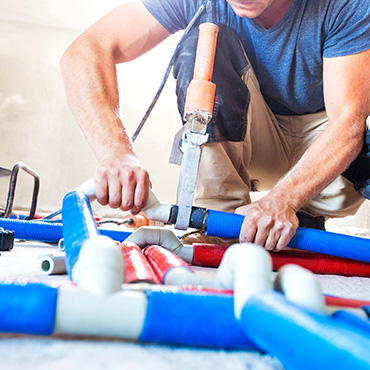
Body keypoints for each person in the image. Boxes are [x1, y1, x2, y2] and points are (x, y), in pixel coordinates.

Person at [60, 0, 370, 251]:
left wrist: (286, 199)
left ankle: (303, 215)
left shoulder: (346, 5)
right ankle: (219, 223)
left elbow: (348, 123)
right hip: (254, 144)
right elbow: (86, 50)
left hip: (331, 158)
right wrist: (117, 153)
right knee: (204, 43)